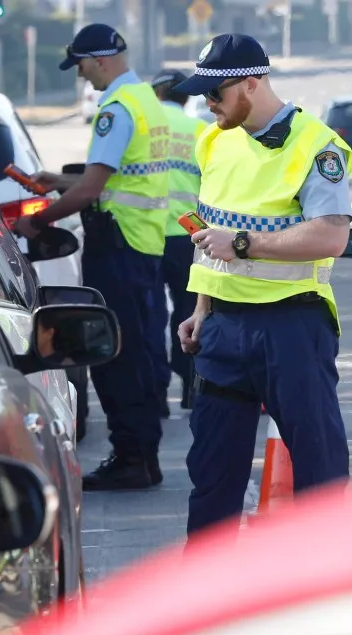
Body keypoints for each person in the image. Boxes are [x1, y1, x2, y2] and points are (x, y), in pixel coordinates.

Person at [172, 33, 352, 542]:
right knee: (211, 474)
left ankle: (321, 584)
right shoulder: (213, 139)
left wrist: (246, 244)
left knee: (318, 466)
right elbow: (210, 234)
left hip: (291, 326)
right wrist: (201, 308)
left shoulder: (318, 146)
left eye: (217, 95)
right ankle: (207, 598)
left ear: (251, 85)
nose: (209, 106)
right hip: (223, 330)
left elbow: (331, 235)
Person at [14, 23, 171, 492]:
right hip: (142, 244)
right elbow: (118, 179)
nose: (82, 76)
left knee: (115, 356)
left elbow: (93, 188)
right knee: (139, 352)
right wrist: (53, 182)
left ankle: (131, 458)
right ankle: (143, 454)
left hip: (118, 245)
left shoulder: (116, 109)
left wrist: (37, 221)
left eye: (82, 66)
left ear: (100, 59)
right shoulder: (144, 100)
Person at [149, 69, 208, 414]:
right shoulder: (201, 132)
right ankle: (190, 387)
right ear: (186, 97)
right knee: (190, 313)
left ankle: (156, 397)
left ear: (155, 94)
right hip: (190, 234)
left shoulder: (147, 132)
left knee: (151, 315)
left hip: (146, 234)